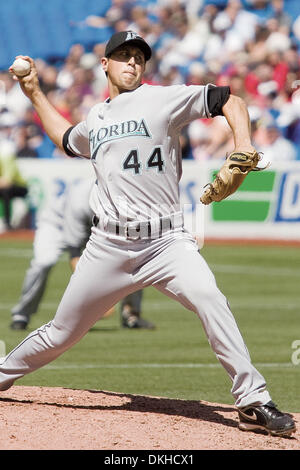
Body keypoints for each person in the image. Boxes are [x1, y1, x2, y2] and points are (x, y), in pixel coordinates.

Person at [0, 31, 296, 437]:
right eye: (123, 55)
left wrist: (240, 150)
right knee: (61, 333)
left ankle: (252, 401)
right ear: (105, 64)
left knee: (210, 298)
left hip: (166, 241)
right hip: (108, 245)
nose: (132, 62)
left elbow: (230, 99)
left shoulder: (163, 98)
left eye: (138, 56)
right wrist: (33, 91)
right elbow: (67, 138)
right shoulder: (97, 118)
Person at [10, 176, 149, 331]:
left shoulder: (124, 195)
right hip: (57, 225)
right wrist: (98, 299)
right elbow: (75, 254)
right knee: (45, 262)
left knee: (131, 253)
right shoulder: (80, 200)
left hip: (97, 226)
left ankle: (131, 315)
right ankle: (21, 314)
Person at [0, 113, 28, 231]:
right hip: (7, 186)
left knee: (5, 190)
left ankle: (7, 224)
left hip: (20, 186)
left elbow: (7, 181)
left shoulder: (7, 152)